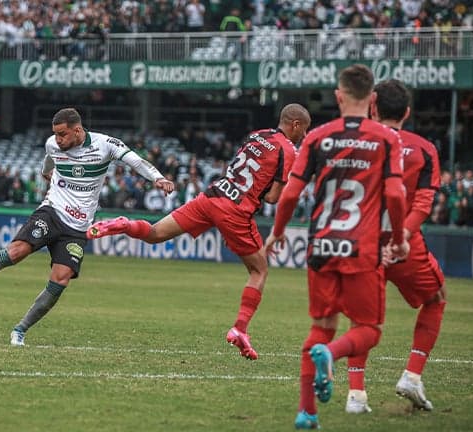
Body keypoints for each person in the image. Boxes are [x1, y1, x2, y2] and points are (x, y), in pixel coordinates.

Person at [86, 104, 312, 360]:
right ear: (295, 125)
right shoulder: (288, 151)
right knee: (259, 270)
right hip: (236, 210)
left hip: (211, 196)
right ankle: (240, 329)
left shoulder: (257, 135)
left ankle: (123, 224)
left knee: (155, 233)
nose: (303, 136)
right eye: (303, 130)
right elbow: (272, 198)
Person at [0, 108, 174, 346]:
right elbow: (49, 160)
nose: (57, 140)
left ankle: (20, 330)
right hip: (52, 211)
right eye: (55, 135)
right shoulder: (53, 144)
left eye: (62, 134)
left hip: (78, 227)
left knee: (61, 279)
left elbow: (135, 161)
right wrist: (46, 173)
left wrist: (158, 178)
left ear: (77, 130)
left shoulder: (105, 145)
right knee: (17, 251)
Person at [264, 65, 408, 429]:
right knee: (369, 329)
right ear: (372, 100)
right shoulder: (385, 139)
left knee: (321, 325)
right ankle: (330, 354)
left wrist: (278, 232)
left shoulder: (317, 137)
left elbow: (291, 193)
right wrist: (400, 236)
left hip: (322, 246)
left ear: (338, 96)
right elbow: (394, 191)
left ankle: (307, 412)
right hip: (362, 247)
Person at [370, 79, 446, 412]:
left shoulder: (361, 143)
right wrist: (401, 238)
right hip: (404, 245)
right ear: (408, 112)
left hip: (361, 242)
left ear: (374, 107)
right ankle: (412, 376)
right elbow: (424, 203)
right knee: (436, 298)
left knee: (363, 320)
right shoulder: (424, 148)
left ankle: (355, 395)